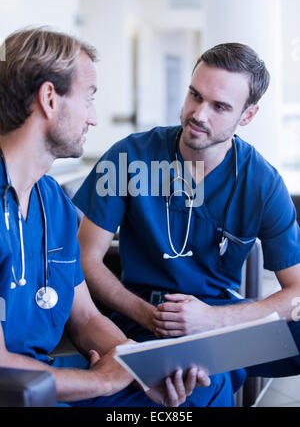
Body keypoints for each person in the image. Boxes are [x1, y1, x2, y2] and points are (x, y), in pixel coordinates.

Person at [0, 27, 226, 408]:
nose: (93, 117)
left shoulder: (51, 201)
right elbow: (4, 370)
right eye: (89, 98)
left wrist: (141, 364)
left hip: (48, 378)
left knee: (202, 390)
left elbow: (85, 318)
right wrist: (102, 382)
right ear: (50, 99)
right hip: (17, 392)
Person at [72, 42, 300, 396]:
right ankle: (218, 364)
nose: (199, 114)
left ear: (248, 116)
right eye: (195, 95)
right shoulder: (129, 158)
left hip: (220, 315)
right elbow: (85, 260)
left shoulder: (262, 183)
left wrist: (214, 320)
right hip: (146, 311)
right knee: (208, 382)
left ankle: (219, 355)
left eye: (220, 106)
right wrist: (151, 315)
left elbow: (297, 291)